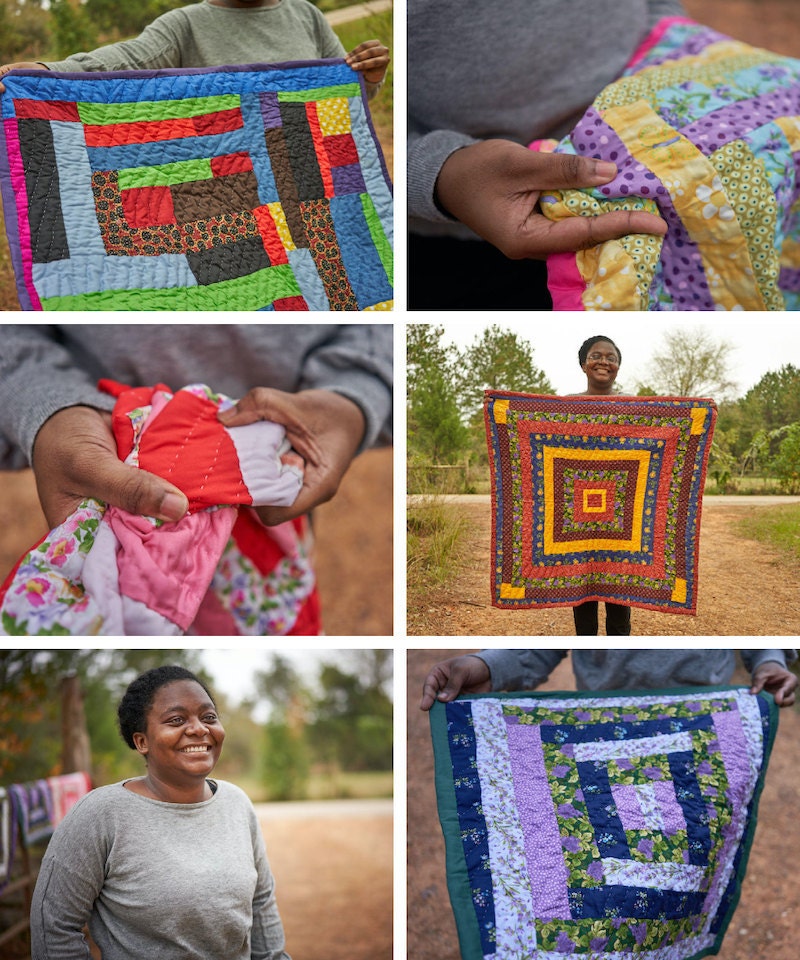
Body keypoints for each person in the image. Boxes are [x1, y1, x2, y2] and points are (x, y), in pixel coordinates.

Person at [0, 324, 392, 634]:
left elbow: (382, 316)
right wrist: (50, 410)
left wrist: (354, 397)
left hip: (281, 491)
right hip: (98, 477)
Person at [407, 0, 680, 309]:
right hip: (451, 246)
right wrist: (437, 172)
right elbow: (350, 132)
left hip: (662, 162)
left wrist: (665, 32)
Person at [30, 664, 290, 959]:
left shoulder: (236, 803)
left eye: (209, 717)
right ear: (142, 741)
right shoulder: (101, 815)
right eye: (177, 719)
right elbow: (54, 926)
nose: (198, 728)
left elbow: (261, 900)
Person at [0, 0, 389, 98]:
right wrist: (42, 70)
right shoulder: (184, 24)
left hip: (312, 188)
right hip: (227, 194)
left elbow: (349, 97)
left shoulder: (307, 14)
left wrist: (369, 77)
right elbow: (124, 60)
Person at [419, 649, 799, 711]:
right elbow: (541, 648)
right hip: (602, 725)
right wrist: (489, 665)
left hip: (705, 722)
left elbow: (756, 638)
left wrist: (768, 659)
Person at [571, 334, 632, 636]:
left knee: (620, 607)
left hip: (621, 523)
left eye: (611, 357)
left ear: (618, 366)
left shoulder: (634, 409)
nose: (604, 362)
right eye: (597, 355)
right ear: (584, 364)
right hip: (575, 524)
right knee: (582, 603)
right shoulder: (565, 407)